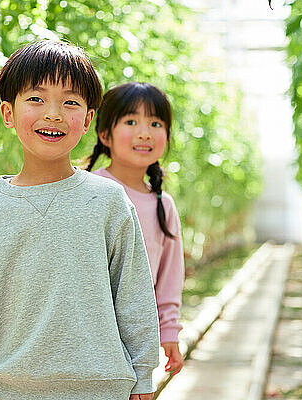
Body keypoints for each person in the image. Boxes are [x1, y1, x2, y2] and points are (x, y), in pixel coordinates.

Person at [0, 40, 159, 400]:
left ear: (88, 120)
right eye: (36, 99)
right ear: (8, 113)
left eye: (70, 102)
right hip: (11, 391)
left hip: (102, 390)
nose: (54, 114)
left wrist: (143, 374)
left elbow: (133, 295)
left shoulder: (108, 200)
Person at [86, 82, 185, 376]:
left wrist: (169, 332)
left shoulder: (163, 205)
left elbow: (169, 277)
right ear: (105, 134)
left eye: (155, 123)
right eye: (131, 121)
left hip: (133, 345)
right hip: (83, 336)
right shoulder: (86, 192)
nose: (144, 132)